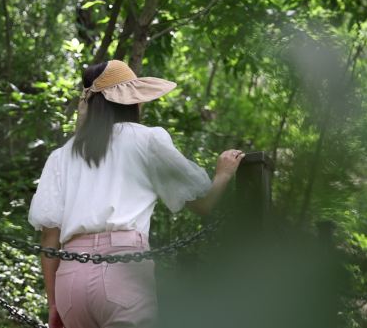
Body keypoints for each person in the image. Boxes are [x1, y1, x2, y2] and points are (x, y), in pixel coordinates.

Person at [28, 60, 245, 328]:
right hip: (123, 270)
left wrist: (53, 303)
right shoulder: (147, 140)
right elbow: (202, 203)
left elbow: (49, 239)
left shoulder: (61, 156)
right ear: (131, 101)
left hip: (71, 281)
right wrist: (223, 174)